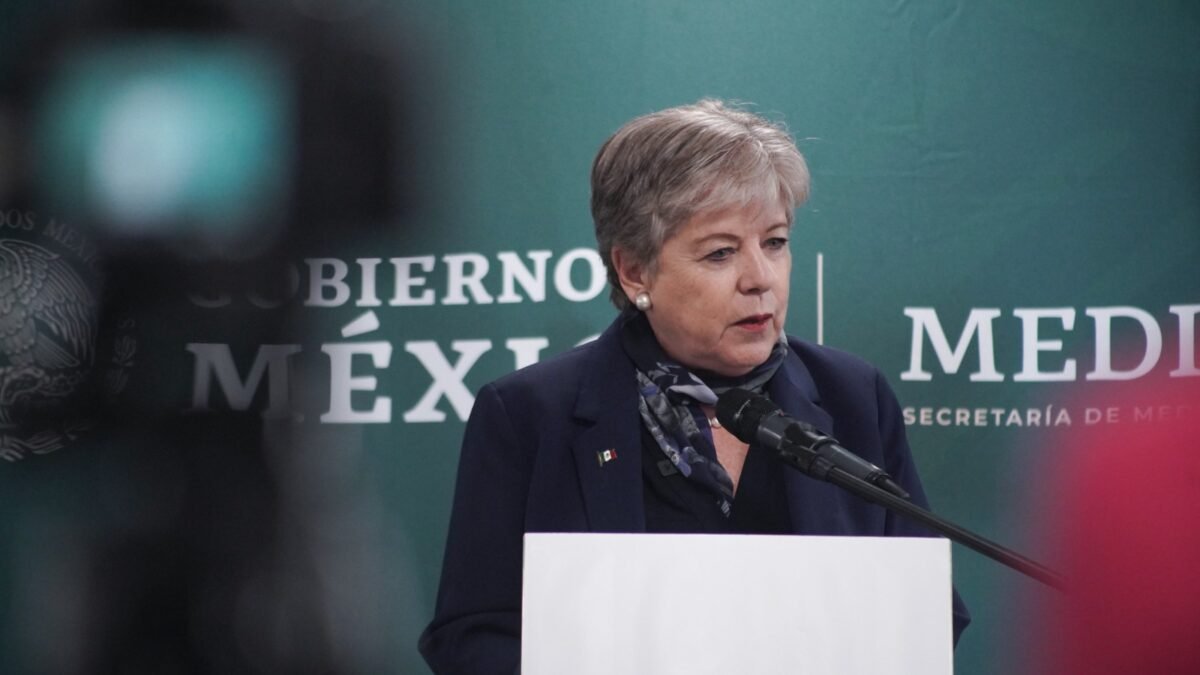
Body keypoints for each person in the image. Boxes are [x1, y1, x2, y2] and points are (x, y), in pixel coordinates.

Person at [418, 99, 970, 673]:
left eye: (775, 242)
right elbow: (474, 636)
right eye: (721, 252)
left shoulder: (854, 394)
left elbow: (927, 610)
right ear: (635, 271)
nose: (760, 278)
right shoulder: (530, 415)